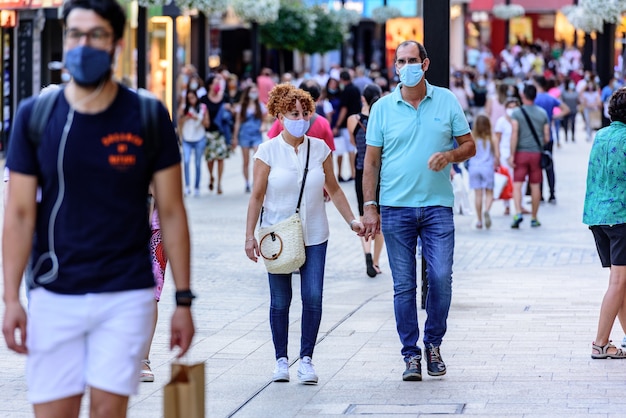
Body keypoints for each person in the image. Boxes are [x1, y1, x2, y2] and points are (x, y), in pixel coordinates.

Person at [1, 0, 195, 416]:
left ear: (116, 44)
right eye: (75, 34)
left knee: (109, 412)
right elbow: (18, 214)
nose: (82, 44)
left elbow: (173, 212)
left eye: (95, 35)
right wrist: (11, 299)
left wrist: (183, 301)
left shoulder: (146, 115)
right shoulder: (36, 117)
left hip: (124, 294)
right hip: (54, 293)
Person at [361, 41, 476, 381]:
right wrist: (370, 207)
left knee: (440, 278)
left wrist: (450, 156)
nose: (407, 66)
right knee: (403, 286)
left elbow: (470, 145)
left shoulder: (446, 100)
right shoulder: (382, 107)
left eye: (413, 60)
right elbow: (371, 161)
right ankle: (410, 354)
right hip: (395, 208)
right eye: (401, 61)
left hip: (437, 206)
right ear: (395, 66)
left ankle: (433, 343)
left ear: (425, 64)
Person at [244, 83, 364, 385]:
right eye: (293, 113)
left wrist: (352, 221)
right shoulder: (267, 151)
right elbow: (256, 196)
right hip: (278, 236)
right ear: (279, 115)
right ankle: (281, 360)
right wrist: (249, 236)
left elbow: (333, 189)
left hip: (315, 234)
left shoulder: (320, 149)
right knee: (280, 299)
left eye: (304, 112)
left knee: (312, 296)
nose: (300, 118)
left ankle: (306, 359)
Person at [583, 86, 626, 359]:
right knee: (619, 281)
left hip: (598, 216)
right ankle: (600, 343)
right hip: (622, 216)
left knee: (621, 281)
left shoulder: (601, 135)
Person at [347, 83, 385, 277]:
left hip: (361, 171)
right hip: (380, 173)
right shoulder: (382, 119)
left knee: (364, 216)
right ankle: (377, 262)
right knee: (380, 219)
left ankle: (367, 254)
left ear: (363, 99)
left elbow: (354, 143)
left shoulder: (353, 120)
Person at [508, 83, 550, 229]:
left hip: (520, 153)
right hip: (536, 154)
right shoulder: (542, 113)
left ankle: (518, 212)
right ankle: (534, 217)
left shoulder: (516, 113)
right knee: (535, 186)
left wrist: (511, 154)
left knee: (518, 185)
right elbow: (546, 137)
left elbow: (514, 134)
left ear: (523, 95)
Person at [533, 75, 569, 204]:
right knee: (549, 164)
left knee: (538, 166)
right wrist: (554, 117)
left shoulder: (534, 99)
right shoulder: (550, 98)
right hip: (549, 136)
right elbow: (566, 109)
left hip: (537, 136)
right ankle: (552, 193)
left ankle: (540, 194)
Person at [232, 83, 266, 193]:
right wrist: (235, 137)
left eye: (256, 91)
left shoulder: (260, 106)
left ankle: (255, 180)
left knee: (257, 158)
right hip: (244, 134)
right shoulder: (242, 106)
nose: (254, 94)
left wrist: (263, 126)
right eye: (252, 91)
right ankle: (247, 182)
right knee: (246, 161)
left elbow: (264, 120)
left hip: (256, 134)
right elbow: (237, 122)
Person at [201, 72, 231, 194]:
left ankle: (219, 183)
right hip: (208, 133)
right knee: (210, 159)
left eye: (219, 84)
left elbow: (231, 114)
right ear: (209, 85)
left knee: (220, 158)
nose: (217, 86)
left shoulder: (224, 98)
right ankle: (211, 176)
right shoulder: (203, 99)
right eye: (215, 83)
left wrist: (230, 109)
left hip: (221, 133)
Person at [468, 114, 498, 229]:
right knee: (489, 192)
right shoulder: (492, 137)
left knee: (478, 194)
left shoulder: (472, 136)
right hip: (487, 167)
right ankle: (487, 210)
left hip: (474, 167)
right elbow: (497, 155)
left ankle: (479, 220)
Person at [178, 89, 209, 196]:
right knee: (186, 161)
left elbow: (207, 124)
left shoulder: (202, 108)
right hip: (187, 139)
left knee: (197, 163)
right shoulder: (184, 108)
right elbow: (179, 122)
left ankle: (196, 186)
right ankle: (187, 186)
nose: (191, 100)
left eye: (193, 97)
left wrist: (197, 118)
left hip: (199, 138)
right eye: (189, 98)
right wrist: (186, 118)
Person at [332, 70, 361, 182]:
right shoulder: (356, 89)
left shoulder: (346, 91)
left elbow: (344, 109)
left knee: (346, 149)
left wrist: (338, 124)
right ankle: (353, 172)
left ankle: (350, 173)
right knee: (352, 149)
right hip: (356, 121)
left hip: (346, 124)